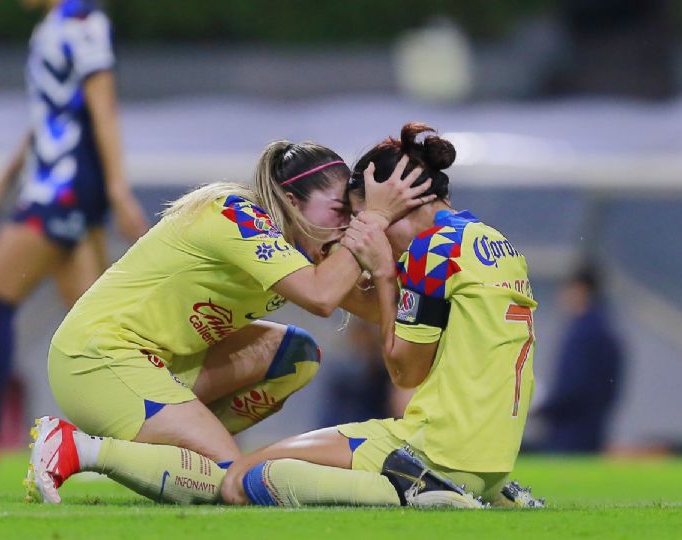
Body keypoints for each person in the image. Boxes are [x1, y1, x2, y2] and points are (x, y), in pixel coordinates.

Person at [24, 139, 435, 504]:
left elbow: (382, 308)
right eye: (339, 212)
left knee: (297, 355)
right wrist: (375, 219)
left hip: (158, 366)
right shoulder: (235, 214)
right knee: (227, 479)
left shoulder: (304, 249)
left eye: (353, 215)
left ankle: (180, 454)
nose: (348, 226)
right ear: (292, 203)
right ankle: (79, 448)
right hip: (98, 358)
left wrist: (459, 313)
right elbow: (322, 296)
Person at [220, 123, 544, 509]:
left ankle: (416, 490)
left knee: (243, 479)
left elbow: (406, 372)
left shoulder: (431, 252)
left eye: (363, 216)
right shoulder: (492, 242)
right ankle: (481, 495)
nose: (364, 231)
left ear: (399, 204)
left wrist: (386, 275)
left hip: (433, 449)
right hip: (492, 464)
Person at [0, 0, 149, 476]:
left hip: (60, 193)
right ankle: (156, 435)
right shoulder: (54, 27)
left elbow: (103, 109)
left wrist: (120, 190)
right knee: (97, 328)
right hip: (54, 190)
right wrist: (1, 182)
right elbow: (49, 116)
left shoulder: (83, 23)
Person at [537, 264, 623, 454]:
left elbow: (572, 388)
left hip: (570, 434)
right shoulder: (606, 329)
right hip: (592, 430)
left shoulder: (583, 334)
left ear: (580, 289)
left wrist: (540, 409)